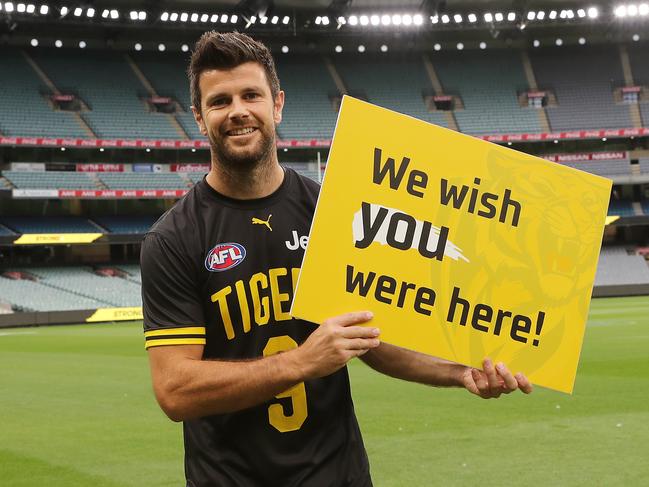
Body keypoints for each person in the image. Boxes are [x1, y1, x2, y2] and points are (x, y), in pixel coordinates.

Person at [141, 31, 533, 487]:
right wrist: (301, 362)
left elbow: (376, 340)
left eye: (252, 95)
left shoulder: (333, 211)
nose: (238, 111)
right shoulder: (173, 239)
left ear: (278, 104)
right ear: (199, 118)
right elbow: (174, 390)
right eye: (220, 101)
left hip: (338, 475)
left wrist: (459, 372)